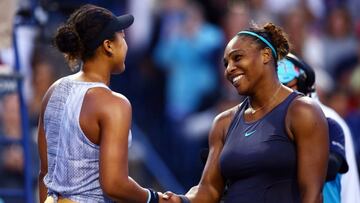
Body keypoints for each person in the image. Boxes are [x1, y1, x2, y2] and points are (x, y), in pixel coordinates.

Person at [166, 22, 329, 203]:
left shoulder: (302, 111)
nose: (229, 69)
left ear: (265, 55)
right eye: (226, 64)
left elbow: (312, 194)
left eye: (237, 58)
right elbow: (209, 189)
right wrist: (181, 200)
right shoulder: (223, 122)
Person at [37, 4, 169, 203]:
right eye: (123, 37)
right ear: (108, 45)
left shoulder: (53, 90)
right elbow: (114, 184)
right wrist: (155, 198)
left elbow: (44, 175)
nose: (126, 43)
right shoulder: (114, 104)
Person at [277, 53, 360, 203]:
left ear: (304, 84)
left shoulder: (329, 120)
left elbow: (332, 170)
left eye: (287, 86)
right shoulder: (266, 124)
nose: (282, 95)